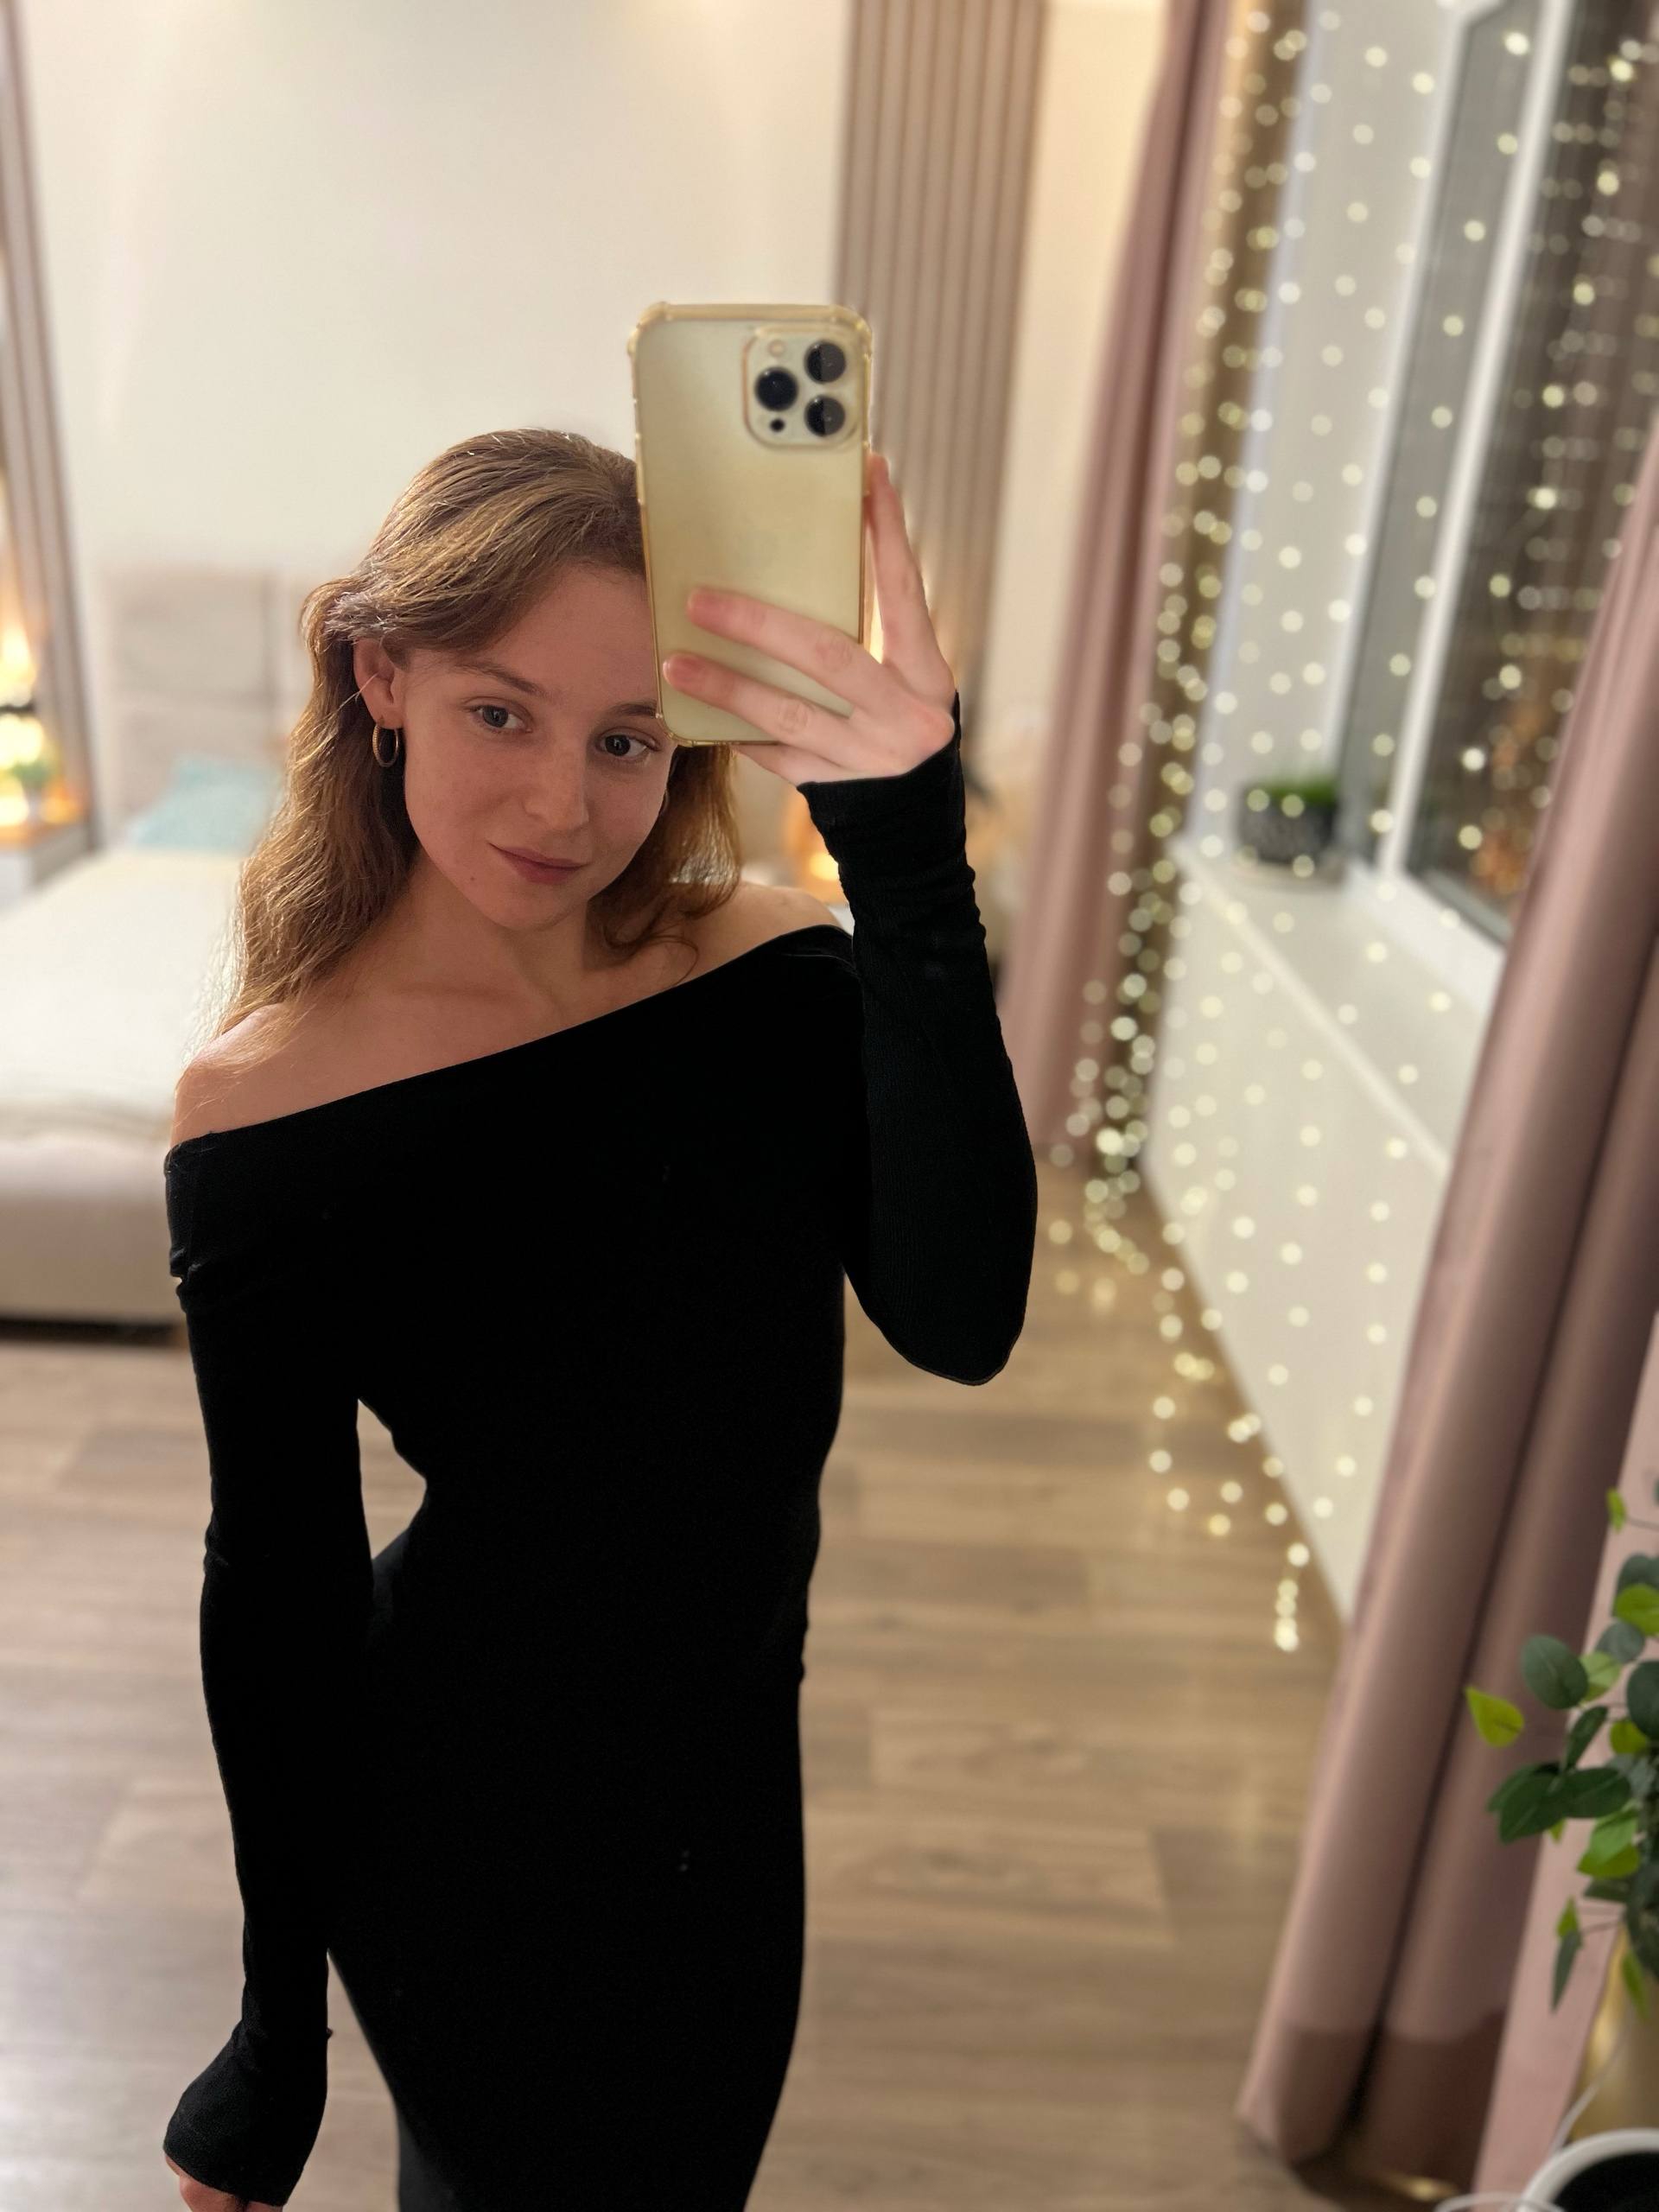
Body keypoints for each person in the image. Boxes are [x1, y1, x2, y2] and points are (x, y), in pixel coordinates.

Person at [160, 427, 1038, 2210]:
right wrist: (274, 2038)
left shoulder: (777, 981)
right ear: (383, 676)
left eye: (629, 738)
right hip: (456, 1814)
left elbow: (962, 1316)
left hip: (732, 1788)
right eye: (503, 712)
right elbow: (281, 1587)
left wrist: (903, 839)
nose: (563, 805)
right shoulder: (268, 1113)